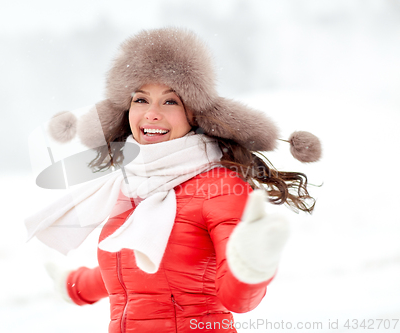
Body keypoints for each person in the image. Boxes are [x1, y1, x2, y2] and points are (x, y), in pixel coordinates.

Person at [26, 28, 321, 333]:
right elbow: (136, 266)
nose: (151, 114)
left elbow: (236, 299)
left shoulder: (220, 188)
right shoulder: (130, 185)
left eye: (169, 102)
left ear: (194, 114)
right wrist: (76, 285)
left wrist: (251, 266)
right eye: (141, 99)